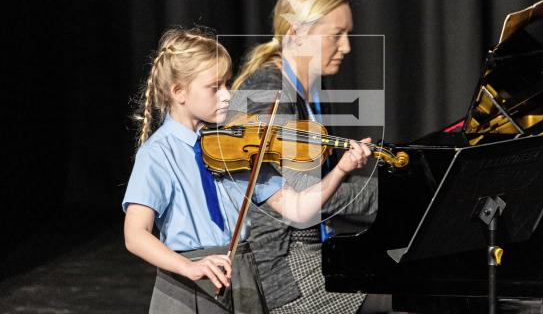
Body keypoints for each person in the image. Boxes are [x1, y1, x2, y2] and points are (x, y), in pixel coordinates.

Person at [122, 26, 372, 314]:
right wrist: (188, 267)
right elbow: (136, 235)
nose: (228, 96)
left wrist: (341, 169)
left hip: (242, 277)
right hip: (186, 285)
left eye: (228, 84)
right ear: (178, 91)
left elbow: (299, 209)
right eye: (215, 87)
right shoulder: (158, 153)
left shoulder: (236, 147)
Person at [231, 0, 391, 314]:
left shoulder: (311, 92)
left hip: (318, 247)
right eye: (336, 34)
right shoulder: (267, 93)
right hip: (281, 268)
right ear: (296, 33)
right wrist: (396, 195)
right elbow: (304, 197)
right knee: (404, 297)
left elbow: (330, 185)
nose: (346, 46)